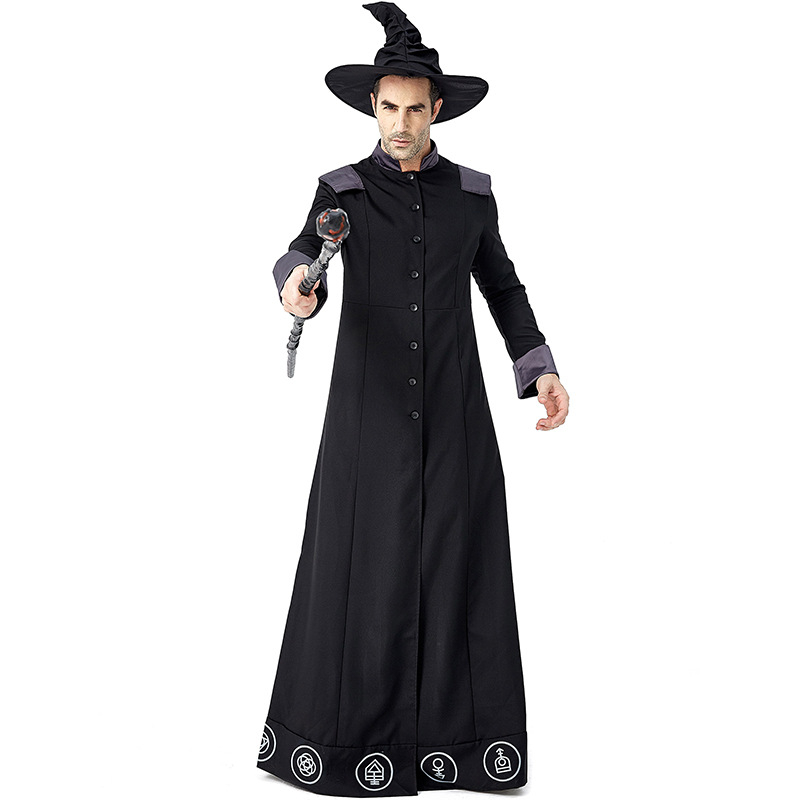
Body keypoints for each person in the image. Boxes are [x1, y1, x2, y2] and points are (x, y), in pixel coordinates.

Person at [258, 3, 569, 796]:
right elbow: (302, 254)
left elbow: (502, 286)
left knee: (459, 562)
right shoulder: (343, 190)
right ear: (373, 105)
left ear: (438, 111)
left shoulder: (471, 195)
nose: (400, 124)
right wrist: (295, 288)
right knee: (361, 563)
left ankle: (456, 748)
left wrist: (538, 368)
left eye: (415, 110)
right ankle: (345, 745)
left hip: (455, 410)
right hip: (367, 415)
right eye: (388, 107)